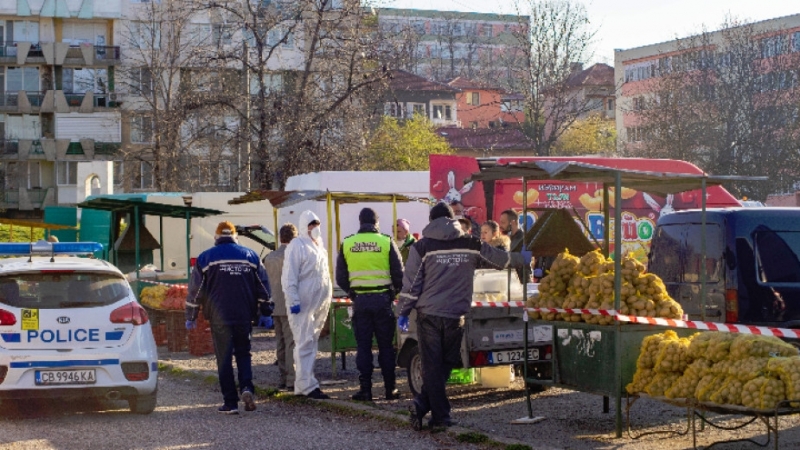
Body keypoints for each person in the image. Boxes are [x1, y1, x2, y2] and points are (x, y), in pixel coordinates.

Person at [397, 202, 530, 430]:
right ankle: (434, 412)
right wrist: (522, 259)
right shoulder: (471, 243)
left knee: (434, 366)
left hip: (428, 315)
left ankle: (427, 409)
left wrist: (403, 312)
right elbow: (499, 260)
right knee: (447, 363)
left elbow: (412, 284)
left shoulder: (422, 247)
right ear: (453, 220)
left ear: (431, 221)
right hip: (455, 316)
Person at [186, 221, 272, 414]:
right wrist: (266, 312)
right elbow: (264, 287)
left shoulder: (205, 258)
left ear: (216, 237)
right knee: (243, 353)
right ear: (235, 236)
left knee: (224, 358)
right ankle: (247, 388)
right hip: (244, 315)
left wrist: (191, 315)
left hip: (219, 318)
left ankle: (230, 403)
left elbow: (195, 291)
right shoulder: (250, 256)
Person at [336, 208, 404, 402]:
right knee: (386, 347)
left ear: (360, 222)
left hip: (361, 302)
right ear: (377, 222)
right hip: (382, 300)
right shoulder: (385, 241)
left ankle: (365, 390)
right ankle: (390, 389)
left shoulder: (348, 243)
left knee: (363, 347)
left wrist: (353, 292)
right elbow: (399, 273)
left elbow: (340, 277)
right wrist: (392, 293)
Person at [282, 210, 333, 399]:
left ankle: (305, 384)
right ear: (305, 226)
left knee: (310, 343)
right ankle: (306, 386)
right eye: (312, 224)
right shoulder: (297, 245)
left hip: (317, 305)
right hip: (302, 305)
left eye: (317, 224)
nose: (315, 228)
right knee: (304, 343)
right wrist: (293, 299)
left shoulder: (319, 247)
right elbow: (289, 276)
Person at [262, 223, 298, 391]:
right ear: (294, 238)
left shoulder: (269, 258)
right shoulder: (294, 256)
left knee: (281, 343)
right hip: (291, 306)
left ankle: (283, 379)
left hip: (274, 306)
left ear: (280, 238)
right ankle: (292, 380)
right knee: (291, 343)